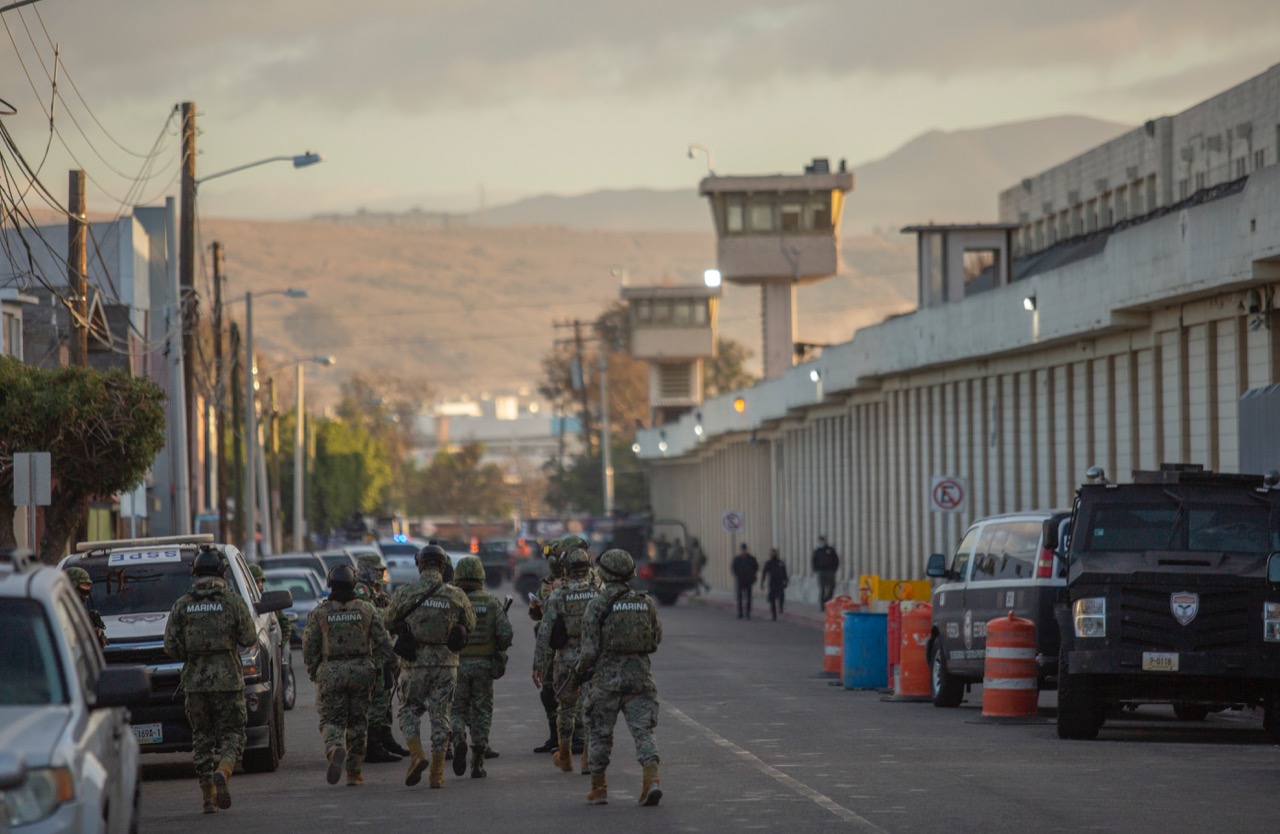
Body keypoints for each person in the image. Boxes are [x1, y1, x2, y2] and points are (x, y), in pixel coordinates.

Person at [162, 549, 256, 814]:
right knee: (233, 734)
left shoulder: (182, 604)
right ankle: (224, 771)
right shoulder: (233, 602)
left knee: (201, 738)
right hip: (228, 681)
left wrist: (192, 656)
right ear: (222, 572)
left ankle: (207, 796)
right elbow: (249, 638)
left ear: (195, 573)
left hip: (195, 683)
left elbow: (170, 645)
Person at [572, 548, 663, 807]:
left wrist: (578, 675)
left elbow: (589, 651)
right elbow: (655, 639)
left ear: (604, 573)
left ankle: (599, 789)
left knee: (600, 734)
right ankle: (652, 781)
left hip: (606, 682)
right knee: (643, 731)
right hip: (640, 679)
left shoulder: (597, 605)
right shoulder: (645, 602)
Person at [385, 544, 475, 789]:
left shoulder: (406, 592)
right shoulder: (456, 595)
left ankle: (416, 754)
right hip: (446, 665)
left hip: (414, 664)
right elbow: (470, 624)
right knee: (440, 716)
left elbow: (387, 620)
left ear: (420, 565)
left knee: (408, 711)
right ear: (443, 566)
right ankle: (437, 774)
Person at [303, 564, 396, 786]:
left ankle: (335, 748)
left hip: (331, 671)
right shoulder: (367, 609)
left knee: (331, 720)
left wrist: (315, 671)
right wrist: (391, 665)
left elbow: (309, 647)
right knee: (358, 722)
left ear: (330, 584)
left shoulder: (320, 613)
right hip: (362, 671)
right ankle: (354, 773)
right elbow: (383, 641)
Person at [449, 556, 513, 779]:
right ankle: (477, 763)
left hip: (455, 665)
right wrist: (497, 647)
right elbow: (505, 633)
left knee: (455, 709)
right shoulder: (491, 601)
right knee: (482, 712)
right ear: (481, 576)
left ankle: (458, 739)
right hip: (483, 665)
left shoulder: (452, 600)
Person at [533, 547, 596, 775]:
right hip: (592, 660)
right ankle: (588, 759)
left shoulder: (558, 595)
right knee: (591, 709)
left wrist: (538, 664)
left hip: (565, 661)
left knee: (566, 710)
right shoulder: (598, 593)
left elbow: (545, 631)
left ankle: (566, 757)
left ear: (566, 569)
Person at [353, 553, 407, 763]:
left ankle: (385, 738)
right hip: (370, 652)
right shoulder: (361, 591)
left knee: (385, 697)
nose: (381, 574)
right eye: (377, 570)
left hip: (381, 652)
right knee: (377, 700)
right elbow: (373, 616)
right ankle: (372, 745)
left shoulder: (376, 592)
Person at [66, 566, 107, 648]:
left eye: (89, 585)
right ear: (73, 586)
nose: (88, 589)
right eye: (84, 585)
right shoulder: (64, 612)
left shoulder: (81, 611)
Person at [731, 544, 759, 620]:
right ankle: (740, 613)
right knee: (739, 597)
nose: (744, 551)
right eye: (742, 550)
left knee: (749, 597)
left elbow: (756, 568)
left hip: (748, 580)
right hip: (740, 580)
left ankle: (748, 613)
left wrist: (753, 576)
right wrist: (737, 575)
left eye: (745, 549)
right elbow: (733, 568)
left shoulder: (751, 559)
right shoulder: (737, 559)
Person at [812, 535, 840, 611]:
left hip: (830, 572)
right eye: (820, 541)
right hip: (821, 572)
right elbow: (814, 561)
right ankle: (822, 605)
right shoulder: (817, 551)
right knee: (822, 589)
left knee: (831, 587)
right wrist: (816, 569)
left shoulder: (830, 550)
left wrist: (834, 569)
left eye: (823, 541)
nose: (821, 542)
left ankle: (828, 601)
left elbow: (836, 560)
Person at [760, 548, 789, 621]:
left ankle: (781, 607)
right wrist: (762, 582)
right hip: (772, 583)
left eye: (775, 553)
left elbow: (784, 572)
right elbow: (764, 573)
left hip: (780, 583)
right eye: (772, 553)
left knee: (781, 596)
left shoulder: (780, 563)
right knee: (772, 600)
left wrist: (786, 581)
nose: (773, 554)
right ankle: (774, 615)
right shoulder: (768, 563)